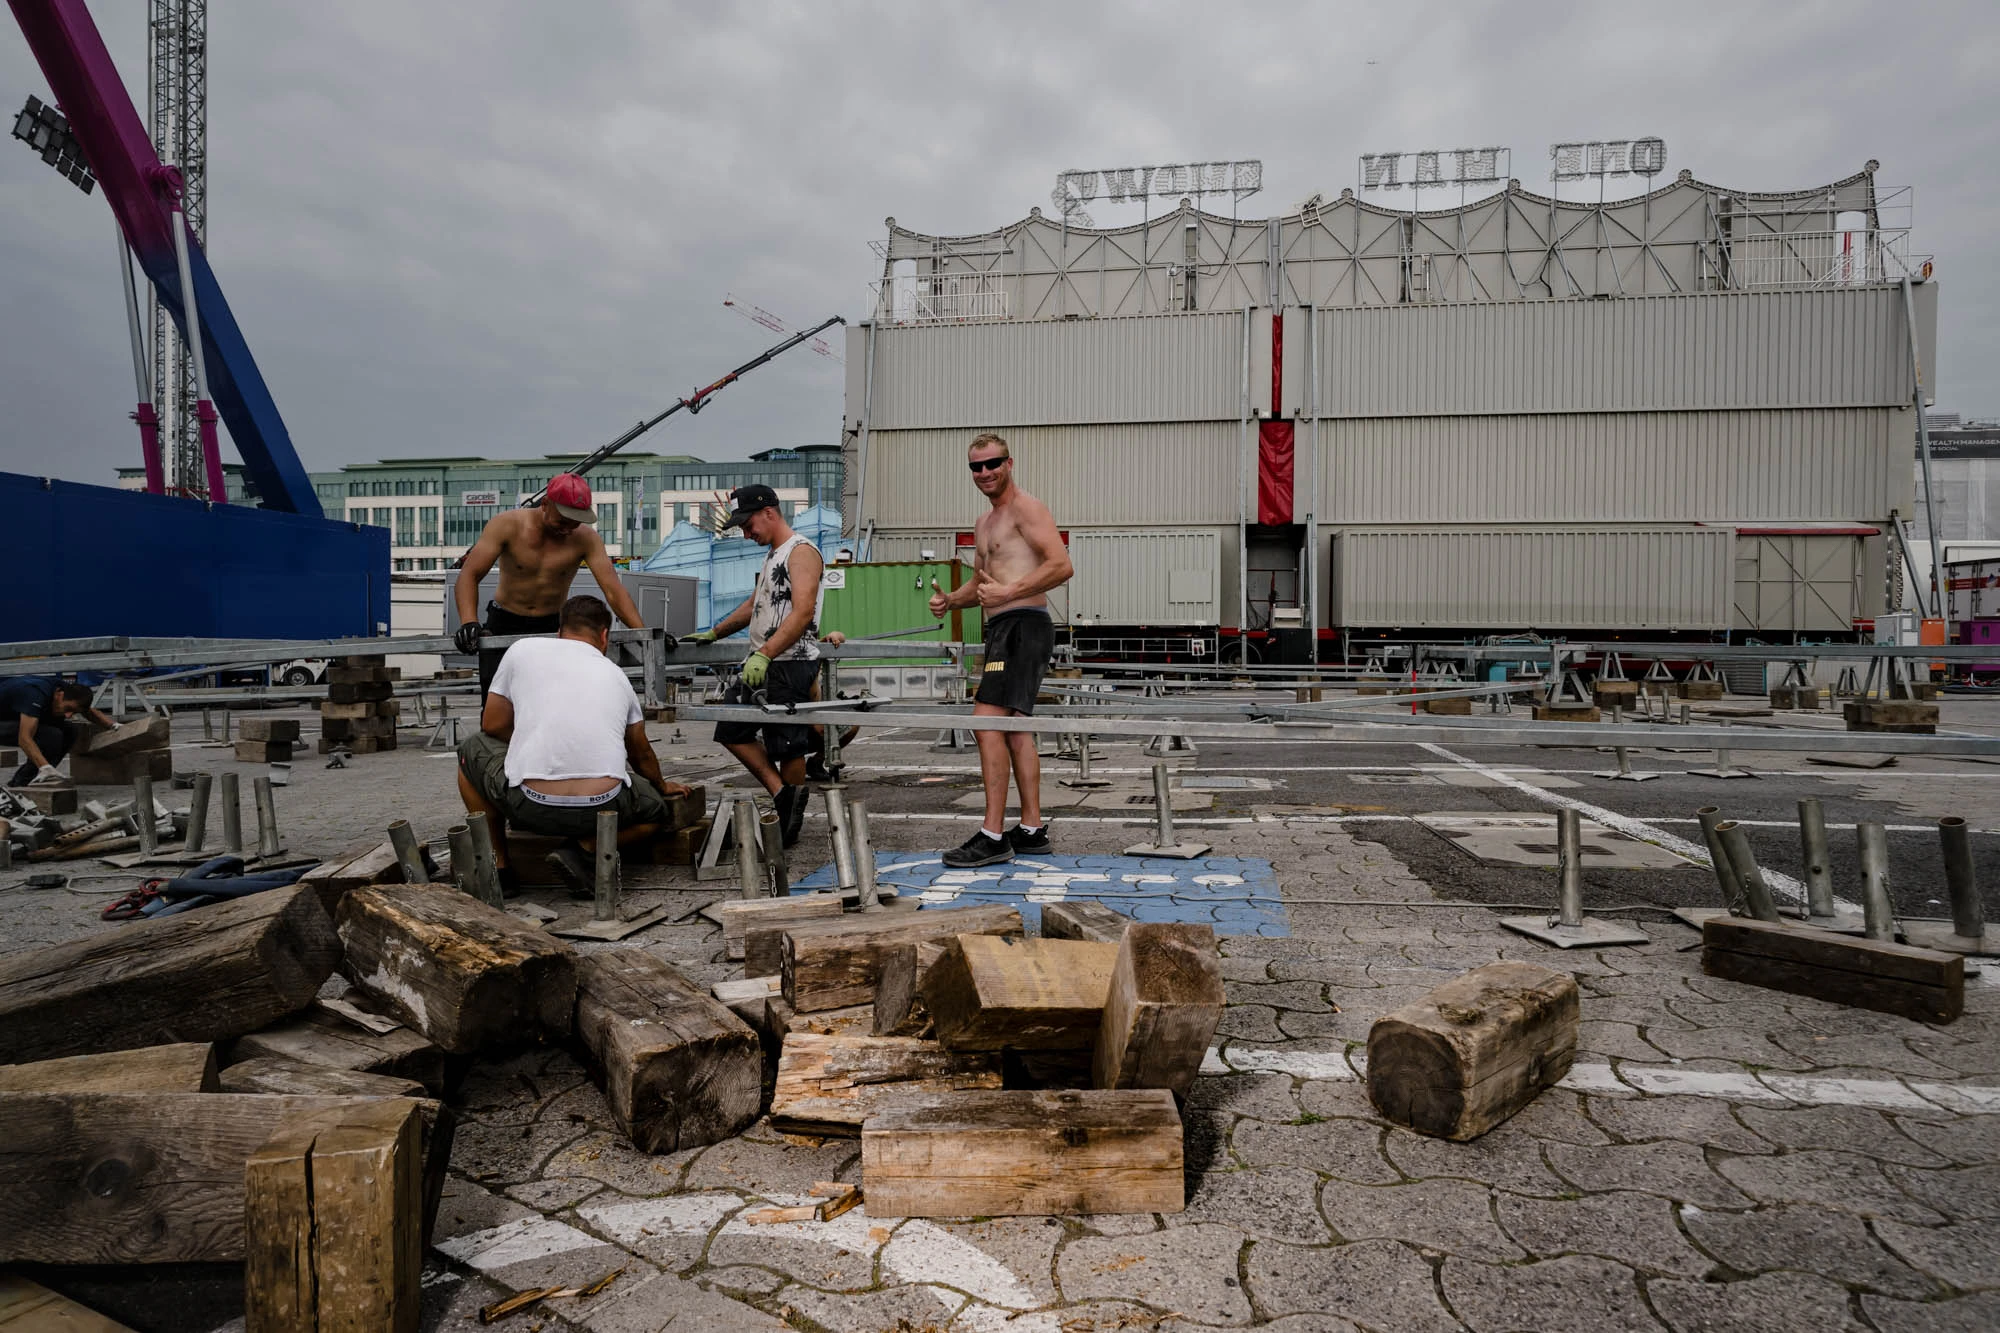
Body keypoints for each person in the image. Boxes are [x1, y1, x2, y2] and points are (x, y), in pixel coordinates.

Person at [455, 594, 689, 895]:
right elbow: (640, 752)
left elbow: (492, 725)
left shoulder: (522, 650)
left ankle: (498, 868)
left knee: (471, 749)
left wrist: (531, 743)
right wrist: (662, 785)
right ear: (604, 636)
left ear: (559, 632)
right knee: (655, 812)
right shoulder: (617, 675)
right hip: (604, 808)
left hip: (529, 805)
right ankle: (584, 847)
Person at [928, 433, 1073, 867]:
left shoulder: (1028, 508)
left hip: (1024, 625)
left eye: (993, 463)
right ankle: (1030, 830)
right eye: (976, 467)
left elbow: (1061, 565)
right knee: (1014, 729)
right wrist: (951, 600)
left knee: (986, 723)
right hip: (1004, 628)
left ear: (1009, 463)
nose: (985, 472)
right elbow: (982, 583)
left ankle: (993, 836)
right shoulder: (984, 522)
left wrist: (1009, 591)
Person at [685, 484, 823, 846]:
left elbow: (803, 611)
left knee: (788, 745)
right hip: (763, 663)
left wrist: (766, 653)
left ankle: (789, 820)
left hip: (789, 662)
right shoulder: (774, 555)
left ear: (769, 513)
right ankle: (783, 794)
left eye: (748, 525)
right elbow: (754, 605)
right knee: (731, 729)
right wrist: (714, 632)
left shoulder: (801, 552)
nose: (747, 534)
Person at [452, 473, 645, 698]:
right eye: (562, 521)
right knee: (497, 700)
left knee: (550, 699)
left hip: (551, 627)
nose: (567, 529)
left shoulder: (586, 538)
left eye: (575, 523)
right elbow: (469, 575)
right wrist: (468, 621)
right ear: (545, 504)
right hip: (504, 622)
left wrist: (643, 633)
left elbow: (613, 590)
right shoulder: (507, 525)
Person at [0, 677, 113, 786]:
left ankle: (40, 777)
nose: (68, 715)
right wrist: (44, 767)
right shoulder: (34, 695)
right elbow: (24, 739)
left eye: (74, 712)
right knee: (51, 735)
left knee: (71, 730)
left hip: (14, 717)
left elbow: (88, 711)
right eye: (68, 709)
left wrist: (113, 725)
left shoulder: (66, 690)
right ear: (59, 695)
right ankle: (23, 782)